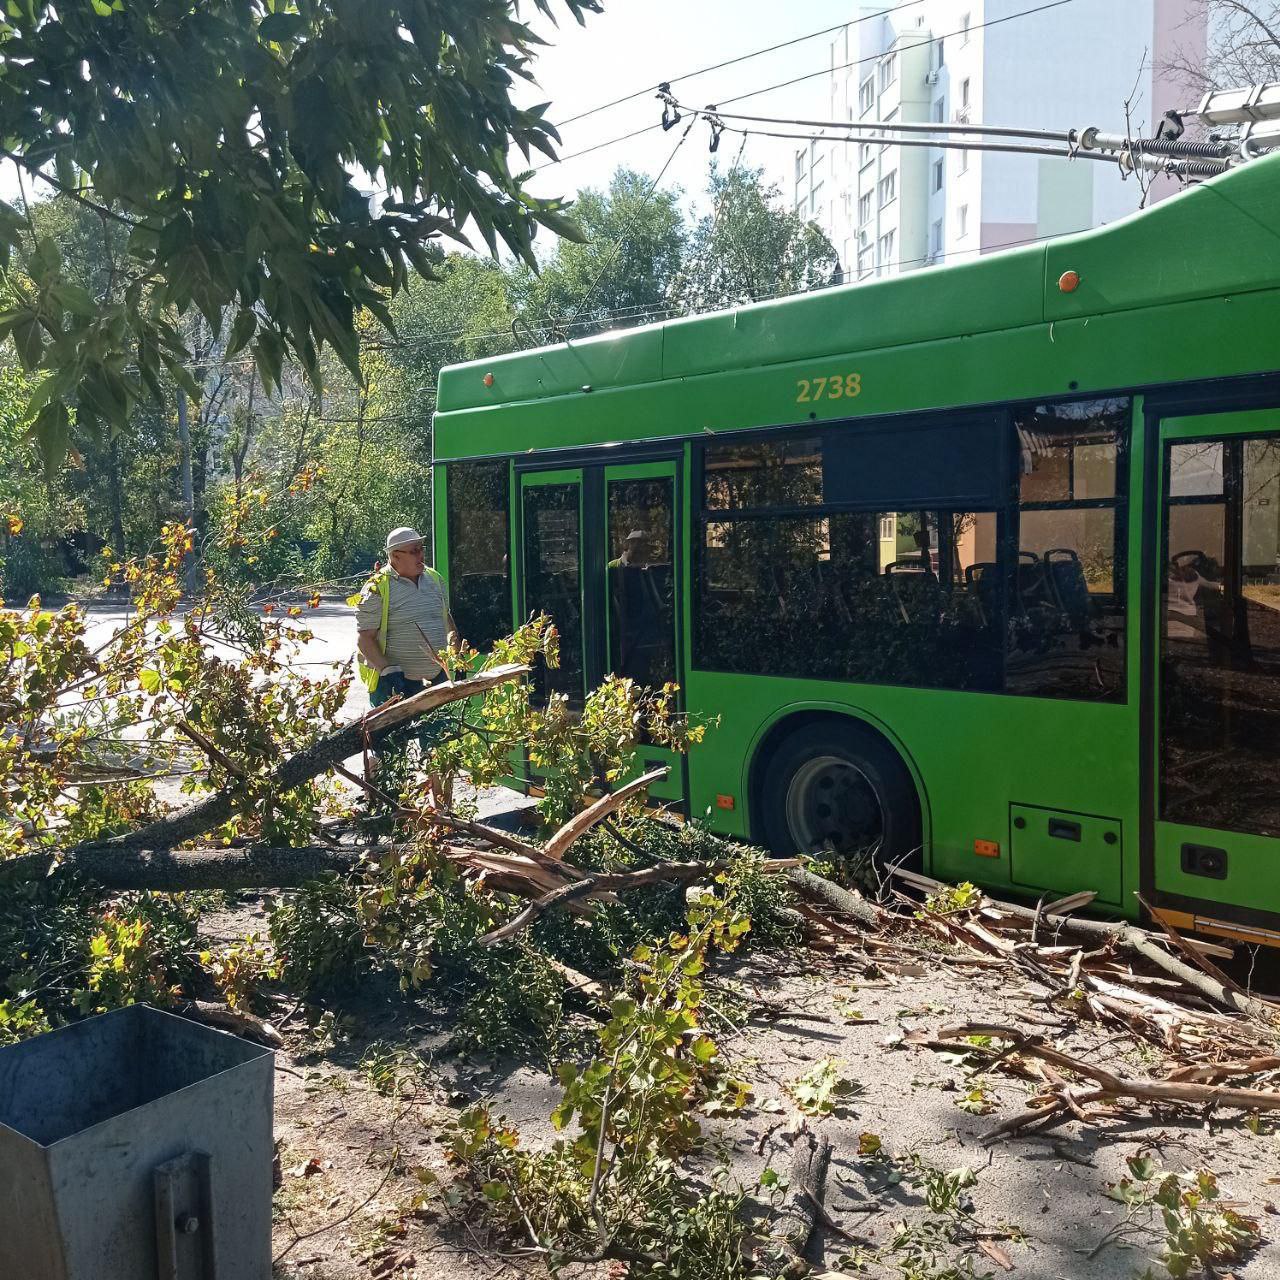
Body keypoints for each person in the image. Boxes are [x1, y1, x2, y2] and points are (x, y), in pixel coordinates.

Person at [355, 526, 461, 802]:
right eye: (413, 551)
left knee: (441, 748)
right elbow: (365, 640)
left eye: (421, 548)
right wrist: (388, 670)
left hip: (436, 678)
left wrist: (454, 655)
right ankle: (381, 807)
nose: (420, 555)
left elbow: (448, 623)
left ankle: (443, 815)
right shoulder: (378, 588)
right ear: (394, 556)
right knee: (389, 751)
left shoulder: (434, 580)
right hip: (394, 684)